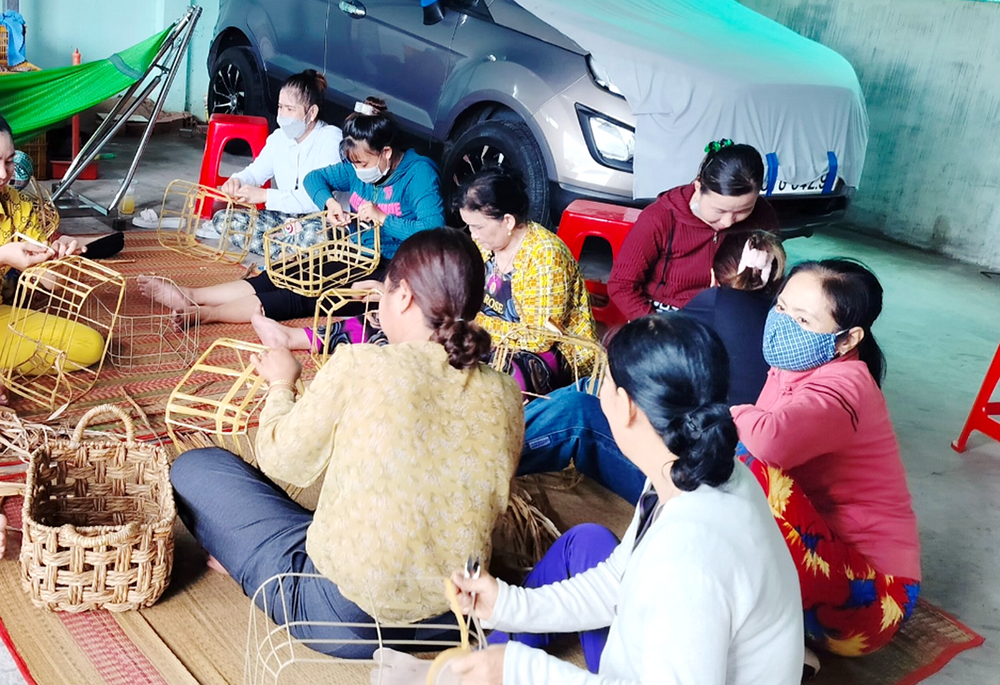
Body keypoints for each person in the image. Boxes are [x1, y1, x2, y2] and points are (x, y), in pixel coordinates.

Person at [170, 228, 524, 657]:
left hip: (341, 618)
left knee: (195, 468)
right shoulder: (505, 392)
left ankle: (249, 561)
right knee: (332, 520)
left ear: (404, 296)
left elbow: (282, 460)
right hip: (457, 614)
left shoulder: (364, 364)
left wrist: (281, 383)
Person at [447, 314, 804, 684]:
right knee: (586, 543)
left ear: (626, 404)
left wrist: (520, 671)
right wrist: (507, 605)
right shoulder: (690, 473)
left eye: (605, 379)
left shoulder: (690, 559)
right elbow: (619, 578)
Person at [252, 167, 596, 397]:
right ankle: (297, 337)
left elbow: (540, 338)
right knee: (401, 316)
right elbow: (449, 285)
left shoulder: (543, 254)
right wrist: (397, 294)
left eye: (477, 227)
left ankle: (418, 394)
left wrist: (465, 322)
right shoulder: (486, 242)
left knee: (492, 372)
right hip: (483, 329)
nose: (472, 235)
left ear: (507, 220)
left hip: (549, 355)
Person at [731, 259, 921, 658]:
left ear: (847, 340)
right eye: (781, 308)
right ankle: (785, 652)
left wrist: (727, 413)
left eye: (802, 320)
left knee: (747, 471)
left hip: (874, 600)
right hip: (822, 560)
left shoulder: (847, 387)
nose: (781, 323)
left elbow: (768, 444)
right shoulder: (789, 368)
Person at [138, 97, 444, 325]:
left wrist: (383, 219)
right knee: (286, 272)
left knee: (308, 294)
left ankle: (207, 314)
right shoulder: (355, 165)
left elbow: (436, 234)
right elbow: (316, 179)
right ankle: (193, 293)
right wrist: (330, 202)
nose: (355, 170)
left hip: (396, 267)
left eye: (362, 163)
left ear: (386, 153)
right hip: (356, 253)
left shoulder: (419, 174)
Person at [607, 139, 778, 320]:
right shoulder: (660, 219)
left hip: (732, 306)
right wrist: (659, 329)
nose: (728, 222)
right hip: (667, 314)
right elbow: (621, 285)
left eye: (743, 210)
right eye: (719, 210)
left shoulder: (763, 215)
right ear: (698, 187)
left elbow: (772, 278)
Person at [0, 115, 98, 405]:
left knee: (88, 345)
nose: (3, 175)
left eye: (7, 161)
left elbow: (50, 282)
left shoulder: (16, 206)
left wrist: (59, 257)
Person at [212, 69, 343, 256]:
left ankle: (282, 248)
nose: (282, 114)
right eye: (280, 107)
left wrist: (265, 196)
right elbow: (256, 173)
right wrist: (237, 181)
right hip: (285, 219)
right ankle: (287, 253)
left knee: (317, 237)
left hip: (320, 221)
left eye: (290, 109)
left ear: (312, 112)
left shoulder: (331, 139)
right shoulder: (279, 138)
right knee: (223, 219)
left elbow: (317, 201)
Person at [683, 229, 786, 405]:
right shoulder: (785, 313)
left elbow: (658, 338)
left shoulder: (715, 299)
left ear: (713, 276)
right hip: (768, 415)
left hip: (720, 419)